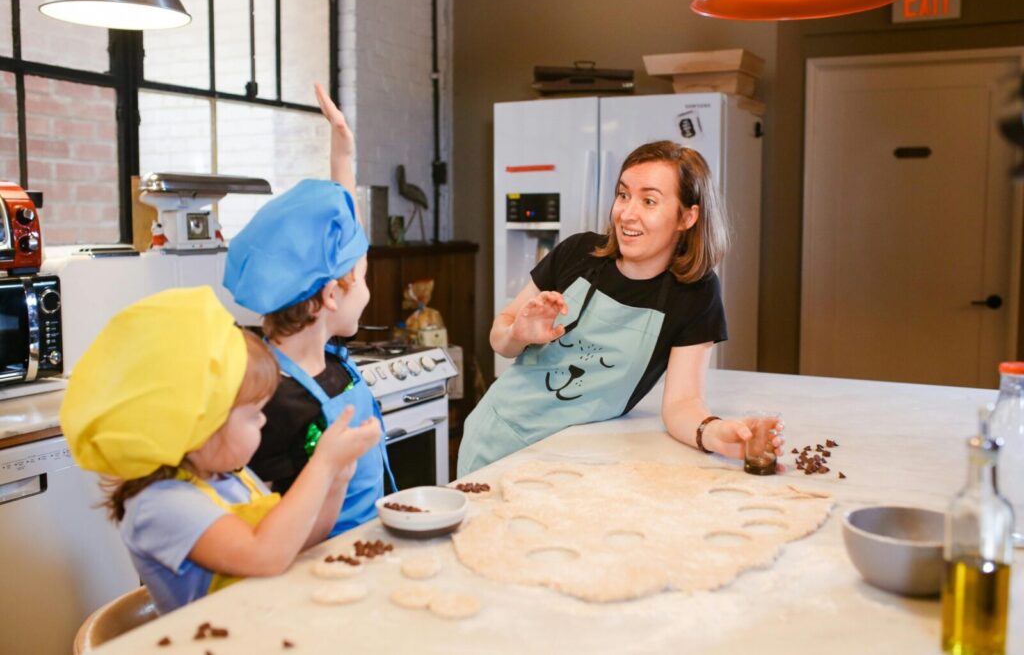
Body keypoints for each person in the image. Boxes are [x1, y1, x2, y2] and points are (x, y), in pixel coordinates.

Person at [457, 140, 784, 476]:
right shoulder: (579, 253)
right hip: (497, 441)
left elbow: (682, 403)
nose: (627, 213)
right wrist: (518, 334)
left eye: (649, 200)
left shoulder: (695, 294)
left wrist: (715, 434)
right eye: (623, 194)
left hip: (577, 457)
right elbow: (500, 335)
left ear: (687, 216)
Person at [60, 287, 379, 614]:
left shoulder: (229, 476)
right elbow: (264, 555)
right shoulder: (161, 504)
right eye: (253, 414)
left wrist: (337, 480)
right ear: (201, 427)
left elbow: (294, 543)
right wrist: (322, 466)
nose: (263, 421)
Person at [222, 84, 394, 536]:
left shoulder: (326, 355)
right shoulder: (272, 399)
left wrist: (343, 156)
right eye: (362, 279)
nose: (368, 290)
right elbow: (274, 528)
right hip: (320, 566)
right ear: (329, 298)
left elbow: (340, 234)